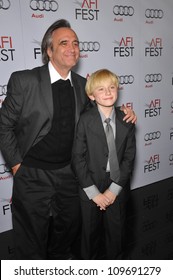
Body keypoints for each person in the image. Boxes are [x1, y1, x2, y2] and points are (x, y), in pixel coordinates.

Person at [0, 19, 136, 260]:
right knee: (31, 239)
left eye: (75, 42)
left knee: (70, 228)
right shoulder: (25, 81)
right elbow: (4, 125)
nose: (72, 47)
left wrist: (125, 113)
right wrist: (16, 165)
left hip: (68, 174)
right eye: (64, 43)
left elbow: (103, 106)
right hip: (32, 173)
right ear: (49, 50)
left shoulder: (83, 85)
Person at [72, 69, 136, 260]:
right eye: (101, 89)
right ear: (92, 95)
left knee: (117, 235)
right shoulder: (85, 121)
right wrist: (94, 193)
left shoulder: (127, 120)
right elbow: (78, 158)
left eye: (112, 87)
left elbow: (129, 158)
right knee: (89, 236)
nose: (108, 92)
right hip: (89, 183)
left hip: (117, 184)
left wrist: (113, 190)